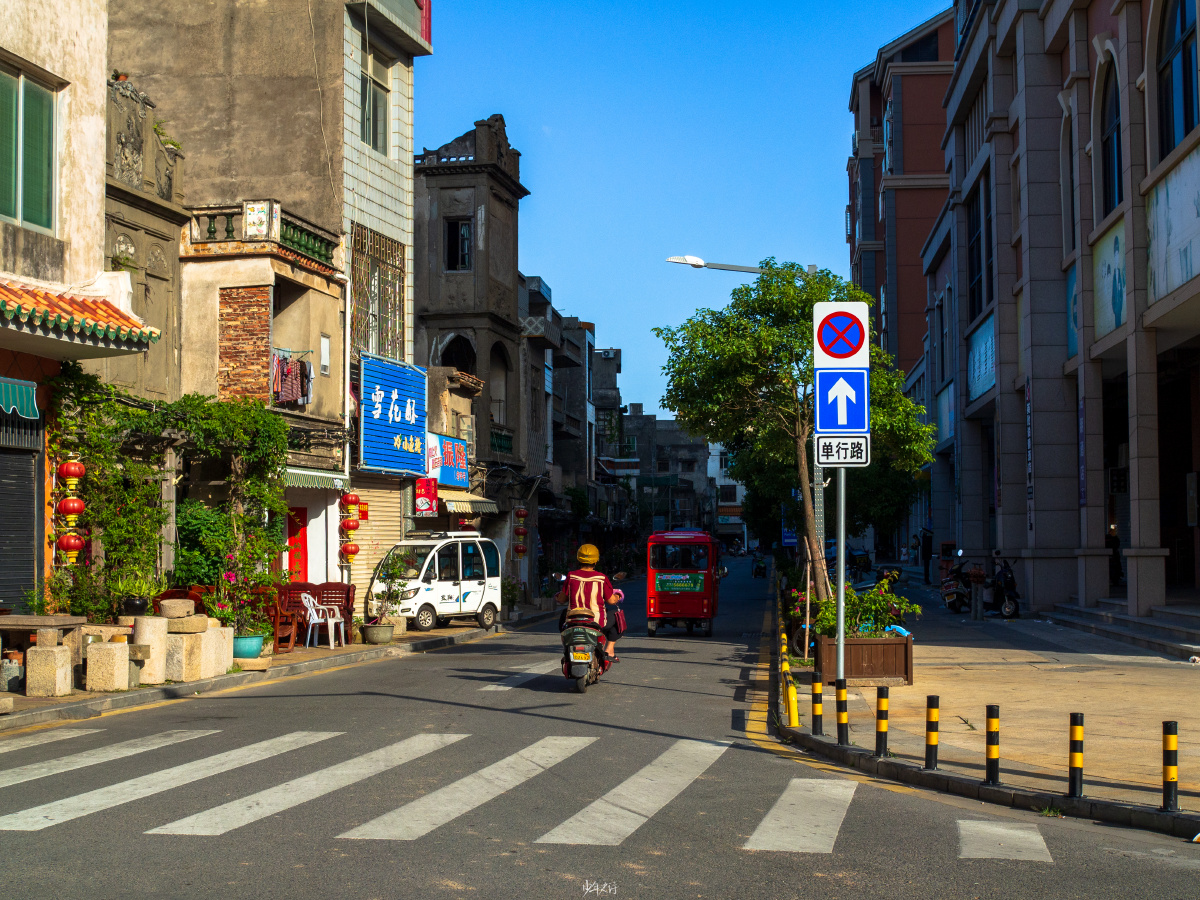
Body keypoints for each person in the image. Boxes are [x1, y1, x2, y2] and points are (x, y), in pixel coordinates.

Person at [557, 544, 624, 662]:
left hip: (573, 621)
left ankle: (567, 646)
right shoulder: (601, 578)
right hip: (596, 622)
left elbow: (562, 599)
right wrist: (618, 595)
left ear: (579, 559)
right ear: (596, 560)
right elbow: (611, 600)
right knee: (617, 616)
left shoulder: (571, 576)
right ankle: (610, 650)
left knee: (563, 614)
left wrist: (558, 596)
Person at [921, 520, 934, 585]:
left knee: (926, 568)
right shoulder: (926, 539)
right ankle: (926, 579)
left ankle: (926, 579)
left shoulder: (926, 539)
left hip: (926, 554)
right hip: (926, 554)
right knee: (926, 568)